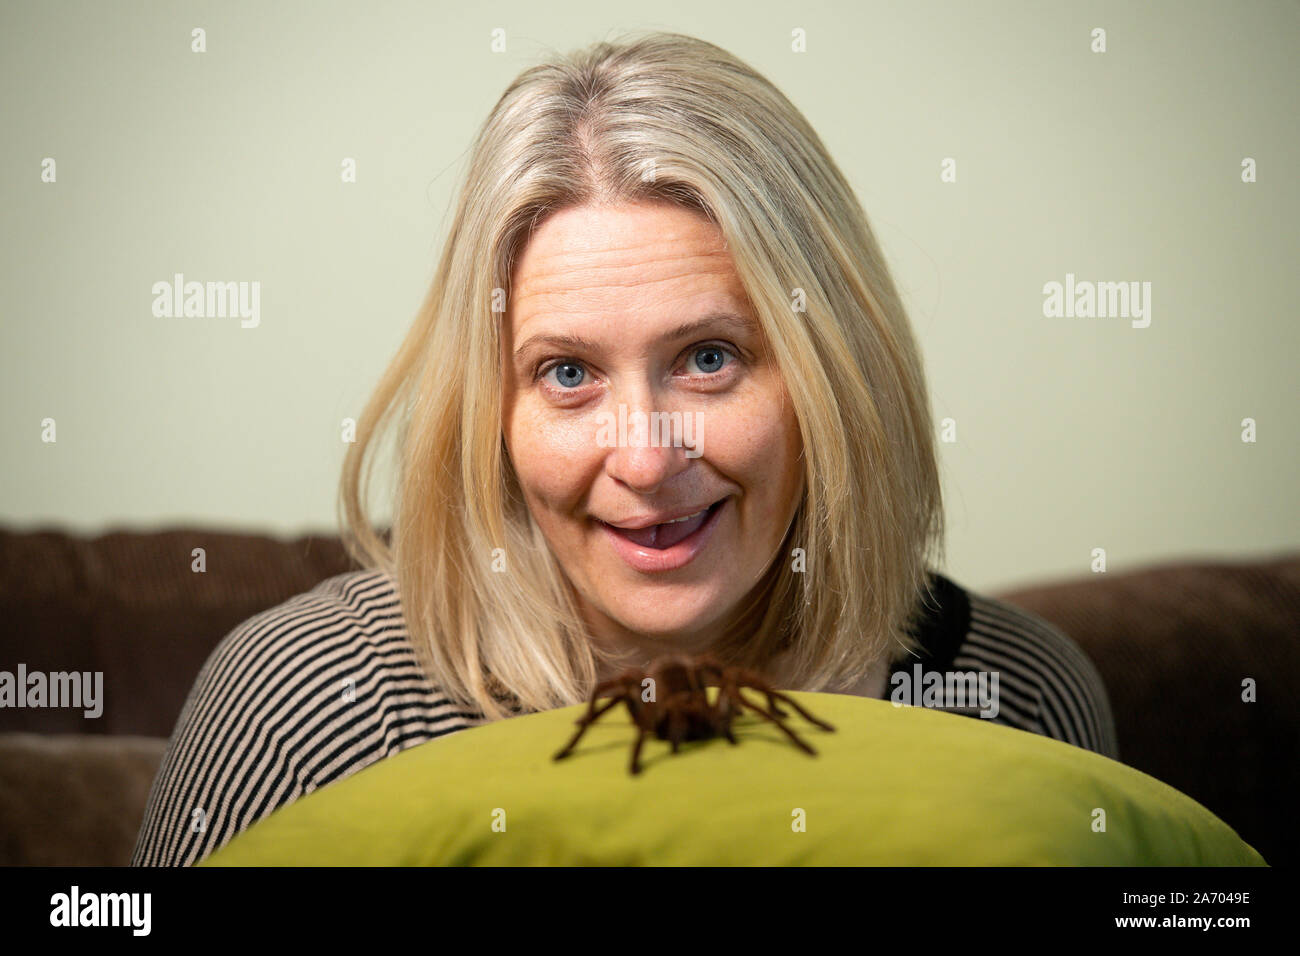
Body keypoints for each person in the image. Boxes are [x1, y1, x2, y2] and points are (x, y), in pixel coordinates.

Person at [131, 30, 1117, 867]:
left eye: (708, 357)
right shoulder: (306, 702)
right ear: (490, 413)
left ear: (833, 376)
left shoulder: (1014, 694)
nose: (644, 460)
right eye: (567, 372)